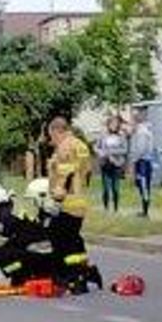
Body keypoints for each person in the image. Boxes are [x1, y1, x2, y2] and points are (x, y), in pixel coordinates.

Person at [46, 116, 92, 278]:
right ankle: (83, 271)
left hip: (66, 203)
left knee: (58, 240)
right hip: (79, 201)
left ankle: (66, 275)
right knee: (74, 240)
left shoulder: (65, 147)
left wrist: (57, 197)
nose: (51, 139)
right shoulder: (81, 146)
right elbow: (85, 171)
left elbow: (66, 174)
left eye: (51, 135)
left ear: (58, 131)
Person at [94, 115, 128, 212]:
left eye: (116, 124)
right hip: (105, 164)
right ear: (108, 125)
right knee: (106, 188)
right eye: (111, 124)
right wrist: (101, 153)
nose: (113, 126)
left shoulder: (121, 136)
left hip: (116, 164)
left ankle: (116, 208)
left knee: (115, 188)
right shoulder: (103, 136)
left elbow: (124, 150)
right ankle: (106, 208)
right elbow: (96, 147)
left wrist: (112, 152)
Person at [129, 114, 155, 217]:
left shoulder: (142, 133)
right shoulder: (141, 132)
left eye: (131, 122)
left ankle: (145, 211)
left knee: (143, 186)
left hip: (143, 162)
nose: (130, 125)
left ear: (136, 122)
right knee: (141, 185)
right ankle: (144, 209)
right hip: (142, 162)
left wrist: (133, 161)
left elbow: (141, 149)